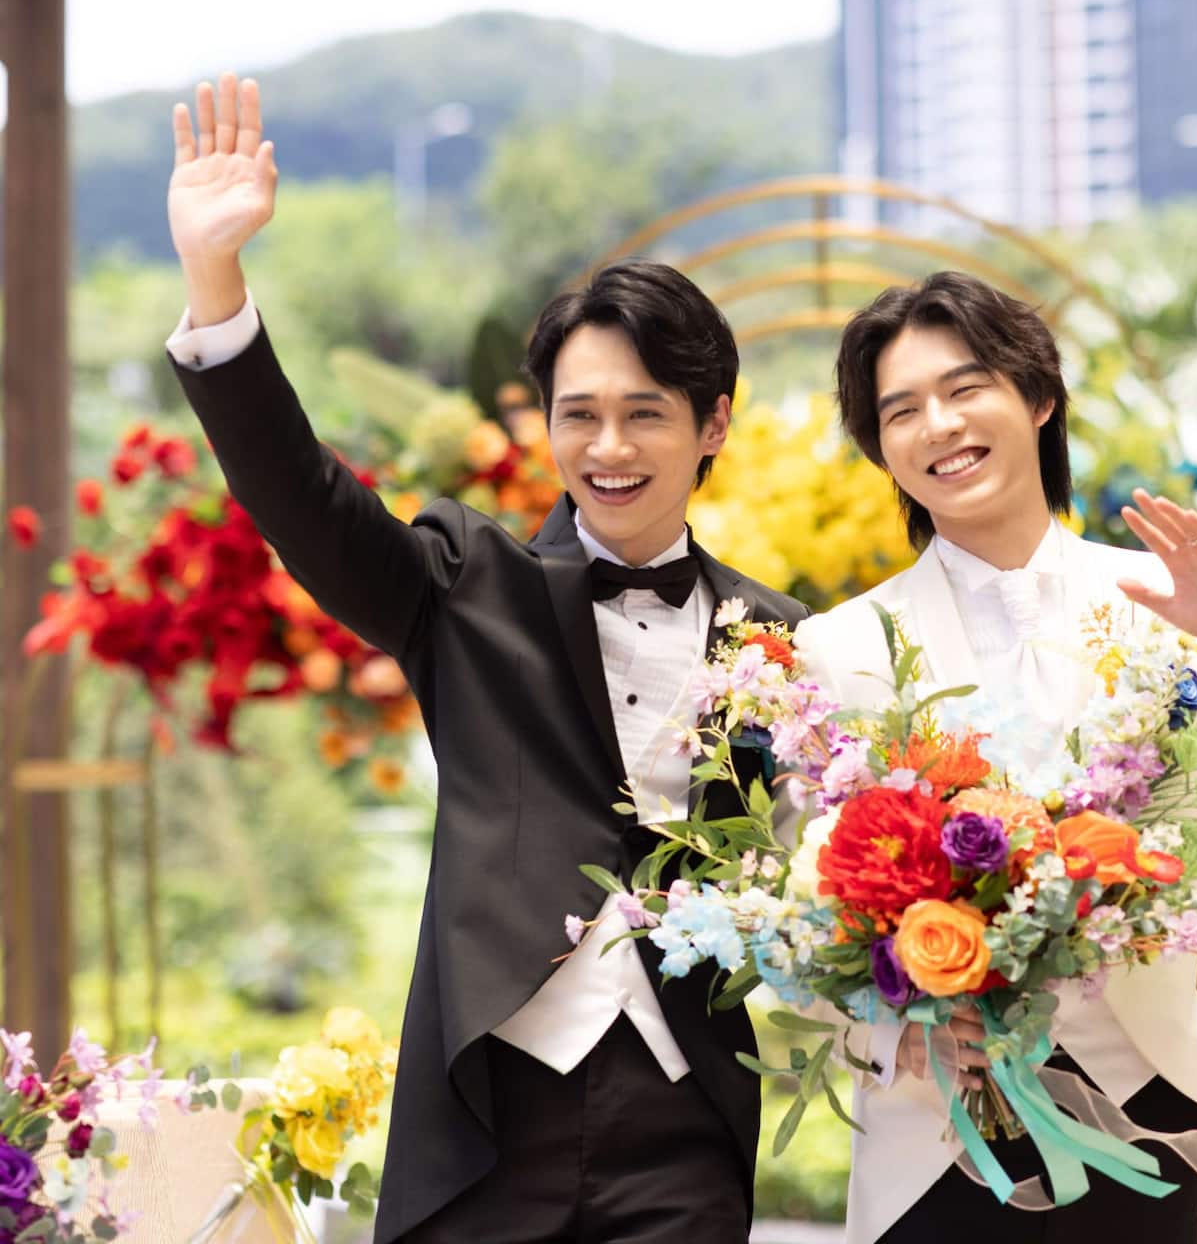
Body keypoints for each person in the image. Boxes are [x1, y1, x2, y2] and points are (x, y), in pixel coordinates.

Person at [164, 74, 802, 1242]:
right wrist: (217, 282)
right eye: (579, 414)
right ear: (544, 420)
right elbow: (301, 497)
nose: (608, 447)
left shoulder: (786, 640)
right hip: (485, 1118)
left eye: (647, 412)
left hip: (686, 1120)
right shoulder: (466, 583)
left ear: (714, 424)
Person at [792, 271, 1197, 1244]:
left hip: (1156, 1122)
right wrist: (895, 1006)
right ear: (881, 449)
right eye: (900, 411)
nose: (938, 426)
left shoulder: (1169, 603)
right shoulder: (841, 648)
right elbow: (801, 909)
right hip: (938, 1153)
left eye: (964, 389)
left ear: (1038, 397)